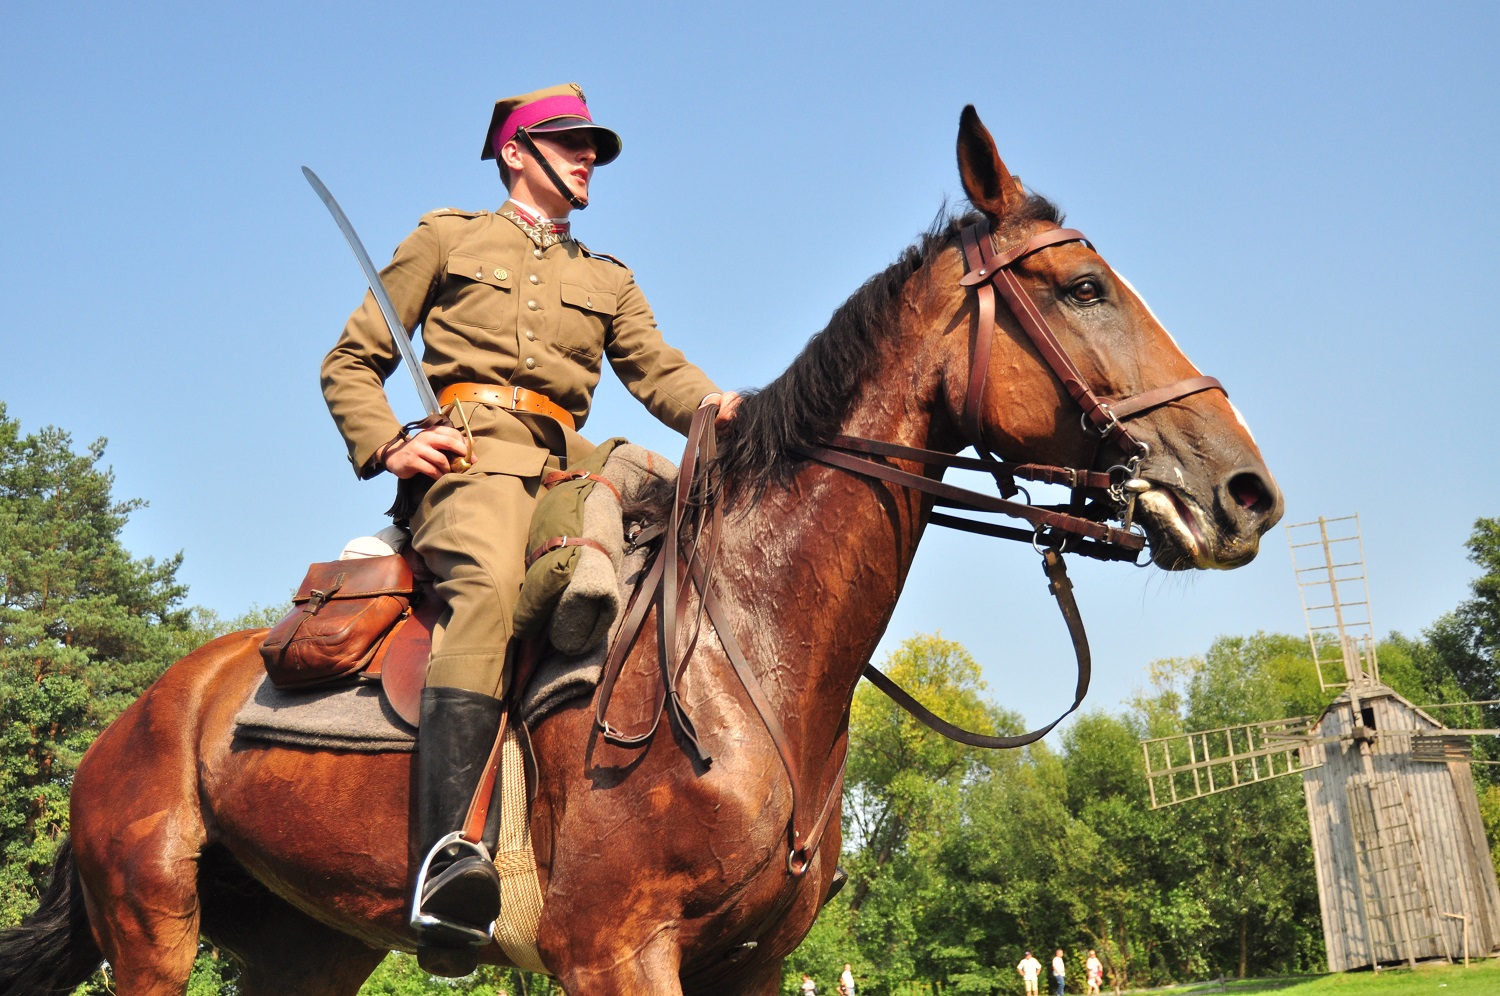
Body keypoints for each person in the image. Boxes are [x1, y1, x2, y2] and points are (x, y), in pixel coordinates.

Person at [322, 82, 740, 959]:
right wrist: (390, 443)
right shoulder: (447, 238)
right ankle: (446, 863)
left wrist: (725, 408)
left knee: (684, 543)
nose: (591, 159)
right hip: (468, 464)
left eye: (594, 147)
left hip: (567, 466)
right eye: (572, 143)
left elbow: (659, 371)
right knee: (485, 589)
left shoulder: (608, 279)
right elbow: (350, 361)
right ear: (517, 151)